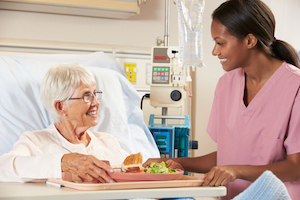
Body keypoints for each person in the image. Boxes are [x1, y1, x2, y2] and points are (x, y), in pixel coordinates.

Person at [144, 0, 300, 199]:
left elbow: (296, 168)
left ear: (250, 41)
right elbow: (226, 158)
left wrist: (237, 171)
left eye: (220, 43)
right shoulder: (226, 86)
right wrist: (173, 163)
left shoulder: (295, 87)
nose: (215, 51)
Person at [0, 63, 129, 183]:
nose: (96, 102)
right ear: (61, 106)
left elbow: (137, 171)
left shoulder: (107, 141)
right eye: (87, 96)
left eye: (95, 94)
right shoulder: (35, 141)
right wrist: (63, 162)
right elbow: (4, 167)